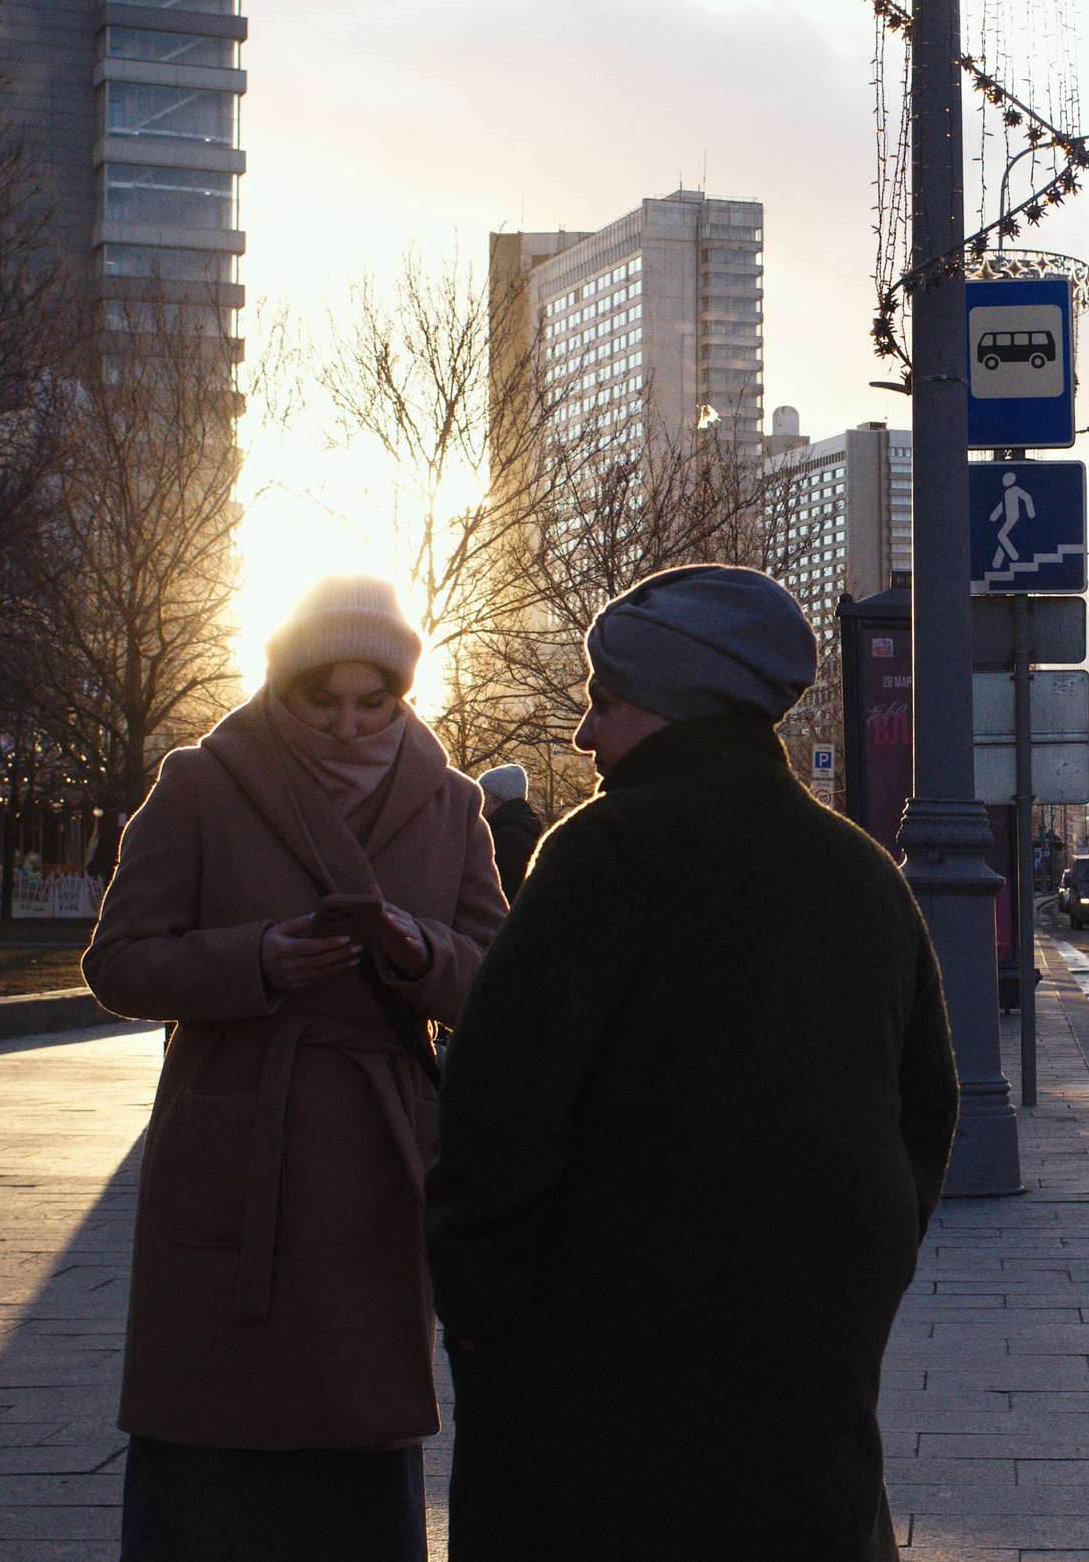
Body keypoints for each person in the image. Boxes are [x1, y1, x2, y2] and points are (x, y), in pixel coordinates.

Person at [427, 564, 959, 1561]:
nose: (586, 733)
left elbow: (496, 1109)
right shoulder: (862, 873)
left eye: (603, 702)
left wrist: (488, 1317)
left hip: (593, 1394)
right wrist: (843, 1272)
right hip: (808, 1392)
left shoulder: (604, 852)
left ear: (671, 708)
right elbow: (926, 1113)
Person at [85, 573, 508, 1562]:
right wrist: (256, 960)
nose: (351, 726)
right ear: (282, 684)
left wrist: (416, 954)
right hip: (239, 1133)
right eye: (325, 700)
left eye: (377, 702)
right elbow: (117, 961)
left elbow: (497, 981)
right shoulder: (202, 782)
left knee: (360, 1402)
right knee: (212, 1401)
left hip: (377, 1143)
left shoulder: (450, 806)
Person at [476, 763, 543, 900]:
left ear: (498, 801)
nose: (477, 800)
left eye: (483, 794)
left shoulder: (506, 839)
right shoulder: (518, 832)